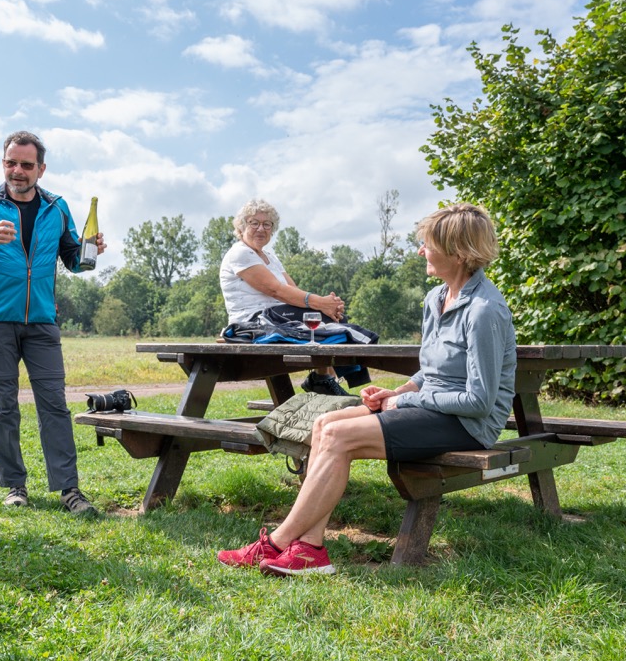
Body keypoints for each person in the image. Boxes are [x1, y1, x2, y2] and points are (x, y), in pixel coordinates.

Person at [218, 203, 516, 577]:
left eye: (427, 244)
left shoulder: (484, 310)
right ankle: (309, 550)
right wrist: (399, 389)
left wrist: (403, 399)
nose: (421, 251)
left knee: (340, 436)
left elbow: (479, 400)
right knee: (325, 425)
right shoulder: (436, 299)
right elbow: (433, 370)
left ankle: (277, 542)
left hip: (469, 424)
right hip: (433, 409)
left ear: (459, 252)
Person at [0, 131, 105, 516]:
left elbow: (74, 260)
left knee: (54, 405)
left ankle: (69, 489)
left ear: (41, 168)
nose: (17, 171)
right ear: (3, 163)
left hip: (41, 322)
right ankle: (14, 486)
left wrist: (91, 252)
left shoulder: (57, 207)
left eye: (25, 164)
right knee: (3, 407)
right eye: (10, 163)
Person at [219, 198, 353, 395]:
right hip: (253, 320)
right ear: (241, 227)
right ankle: (322, 379)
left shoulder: (269, 257)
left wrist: (328, 304)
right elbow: (276, 290)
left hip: (277, 315)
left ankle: (323, 378)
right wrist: (321, 304)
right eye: (254, 223)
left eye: (267, 224)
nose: (261, 229)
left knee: (334, 317)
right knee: (322, 317)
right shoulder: (240, 253)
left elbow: (293, 290)